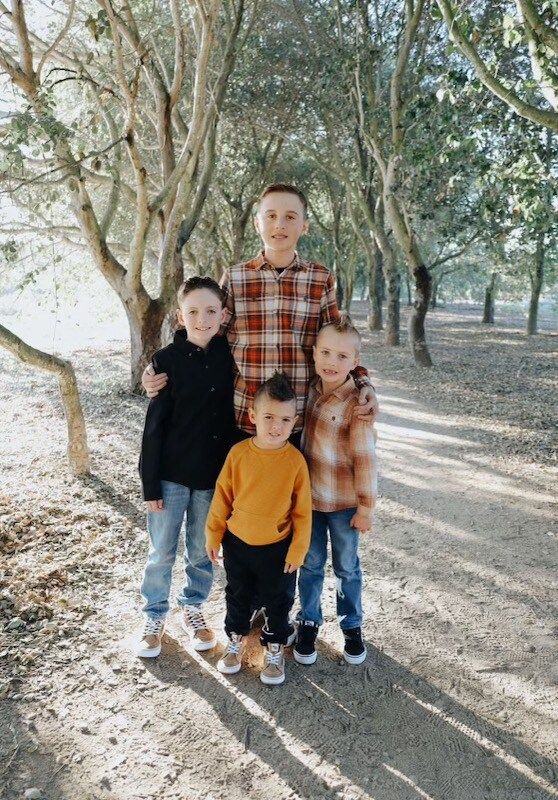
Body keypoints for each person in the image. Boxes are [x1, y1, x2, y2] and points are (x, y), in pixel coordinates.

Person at [141, 184, 379, 441]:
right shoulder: (235, 277)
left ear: (304, 226)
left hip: (299, 419)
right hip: (244, 416)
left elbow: (338, 344)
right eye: (271, 216)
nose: (280, 225)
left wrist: (363, 384)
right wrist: (158, 367)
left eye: (290, 217)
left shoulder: (320, 278)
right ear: (257, 223)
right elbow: (204, 335)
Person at [136, 276, 236, 658]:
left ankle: (193, 607)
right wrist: (150, 486)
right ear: (181, 316)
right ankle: (153, 615)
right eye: (193, 311)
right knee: (161, 550)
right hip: (170, 475)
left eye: (211, 310)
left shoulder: (230, 356)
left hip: (212, 477)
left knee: (201, 549)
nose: (202, 318)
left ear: (224, 315)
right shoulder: (165, 362)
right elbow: (153, 426)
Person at [205, 372, 312, 686]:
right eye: (268, 417)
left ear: (294, 421)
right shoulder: (238, 454)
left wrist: (298, 549)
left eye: (284, 419)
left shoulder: (295, 461)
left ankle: (275, 648)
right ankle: (236, 640)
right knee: (238, 596)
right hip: (238, 543)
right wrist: (213, 534)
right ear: (252, 415)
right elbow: (222, 497)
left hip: (278, 546)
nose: (276, 426)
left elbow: (303, 512)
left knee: (279, 600)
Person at [294, 317, 377, 667]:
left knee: (347, 567)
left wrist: (366, 507)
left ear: (354, 360)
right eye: (325, 352)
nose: (332, 361)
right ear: (313, 354)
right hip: (310, 502)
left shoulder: (358, 403)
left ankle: (352, 626)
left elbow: (365, 458)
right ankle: (309, 621)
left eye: (342, 356)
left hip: (344, 504)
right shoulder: (311, 388)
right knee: (310, 565)